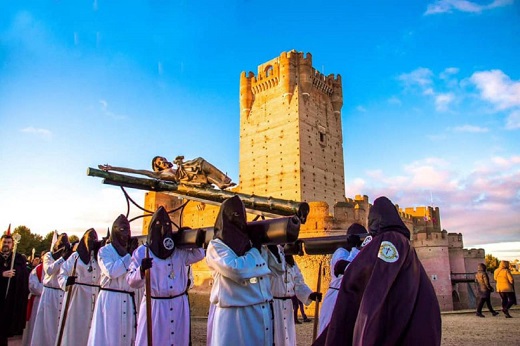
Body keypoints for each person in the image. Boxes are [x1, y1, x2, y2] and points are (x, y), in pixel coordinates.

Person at [314, 196, 442, 346]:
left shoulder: (390, 240)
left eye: (372, 219)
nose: (370, 224)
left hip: (392, 309)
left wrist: (347, 268)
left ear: (380, 219)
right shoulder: (401, 242)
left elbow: (377, 269)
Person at [127, 206, 205, 346]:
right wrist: (141, 270)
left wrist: (189, 239)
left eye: (166, 225)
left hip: (178, 305)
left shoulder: (178, 251)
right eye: (158, 225)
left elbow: (199, 255)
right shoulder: (142, 252)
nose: (163, 229)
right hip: (155, 307)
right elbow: (131, 281)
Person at [206, 195, 274, 346]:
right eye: (234, 215)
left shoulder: (251, 243)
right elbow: (236, 270)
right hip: (234, 318)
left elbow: (277, 270)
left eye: (240, 215)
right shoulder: (216, 246)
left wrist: (272, 246)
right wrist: (255, 249)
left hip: (258, 311)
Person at [88, 215, 136, 346]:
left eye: (128, 230)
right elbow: (111, 272)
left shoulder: (130, 251)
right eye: (122, 230)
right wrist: (128, 256)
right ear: (115, 231)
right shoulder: (104, 251)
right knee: (109, 337)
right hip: (110, 299)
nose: (126, 234)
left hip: (127, 298)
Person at [318, 223, 367, 335]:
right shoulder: (341, 252)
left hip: (350, 300)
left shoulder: (361, 254)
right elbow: (343, 270)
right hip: (335, 299)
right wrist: (354, 249)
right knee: (330, 334)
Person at [267, 244, 321, 346]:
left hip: (288, 306)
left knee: (288, 338)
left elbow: (298, 283)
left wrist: (310, 295)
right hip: (274, 306)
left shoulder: (292, 263)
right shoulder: (270, 256)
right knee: (275, 337)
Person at [56, 228, 101, 346]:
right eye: (90, 239)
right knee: (75, 328)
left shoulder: (99, 257)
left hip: (95, 295)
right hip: (78, 297)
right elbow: (62, 274)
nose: (92, 242)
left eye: (95, 239)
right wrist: (67, 281)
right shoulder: (75, 257)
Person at [99, 155, 235, 189]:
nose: (162, 161)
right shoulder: (158, 175)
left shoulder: (172, 167)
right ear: (156, 167)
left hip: (188, 175)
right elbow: (136, 171)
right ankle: (224, 180)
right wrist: (112, 168)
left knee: (202, 172)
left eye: (162, 159)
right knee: (199, 162)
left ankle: (221, 183)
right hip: (182, 179)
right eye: (159, 162)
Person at [31, 233, 72, 346]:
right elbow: (49, 270)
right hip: (49, 293)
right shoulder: (49, 256)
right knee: (46, 325)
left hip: (62, 292)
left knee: (59, 325)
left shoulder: (69, 257)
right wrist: (62, 258)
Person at [0, 232, 30, 346]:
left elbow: (23, 275)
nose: (6, 244)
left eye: (9, 242)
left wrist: (16, 274)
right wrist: (2, 274)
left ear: (12, 244)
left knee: (4, 330)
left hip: (10, 299)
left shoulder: (17, 258)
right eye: (4, 242)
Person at [21, 253, 45, 346]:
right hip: (37, 302)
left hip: (52, 303)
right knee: (35, 327)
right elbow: (33, 286)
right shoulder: (38, 269)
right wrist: (49, 290)